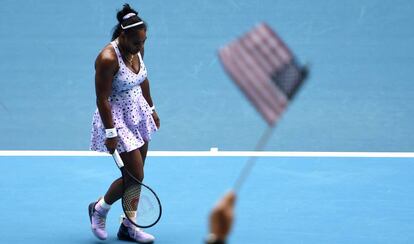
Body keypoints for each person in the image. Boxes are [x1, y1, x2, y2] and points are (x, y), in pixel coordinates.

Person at [88, 4, 160, 243]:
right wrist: (110, 133)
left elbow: (143, 78)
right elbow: (101, 98)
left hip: (137, 113)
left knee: (136, 177)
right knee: (135, 174)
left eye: (144, 41)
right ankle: (99, 209)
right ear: (123, 35)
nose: (141, 47)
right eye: (137, 43)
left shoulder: (137, 48)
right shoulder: (107, 58)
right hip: (116, 118)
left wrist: (151, 108)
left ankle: (129, 226)